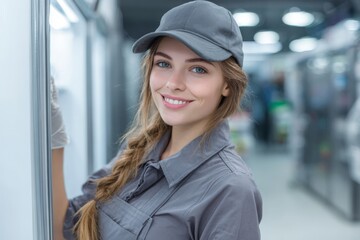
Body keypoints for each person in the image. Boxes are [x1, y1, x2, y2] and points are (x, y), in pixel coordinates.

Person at [51, 1, 262, 239]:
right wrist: (53, 139)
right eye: (163, 64)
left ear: (227, 84)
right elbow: (68, 227)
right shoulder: (139, 150)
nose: (173, 83)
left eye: (198, 69)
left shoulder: (230, 189)